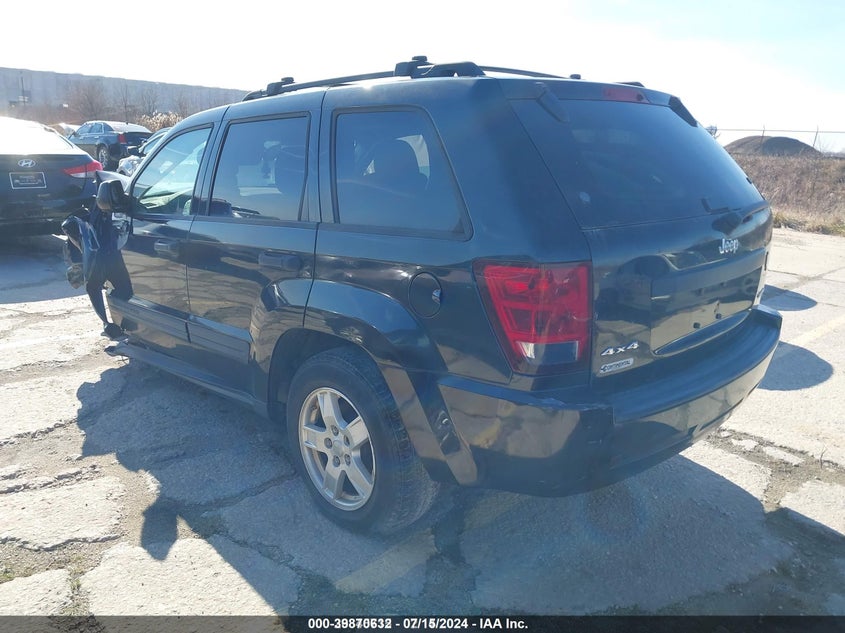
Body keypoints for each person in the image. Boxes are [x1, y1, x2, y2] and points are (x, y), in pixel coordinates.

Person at [62, 196, 132, 340]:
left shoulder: (77, 223)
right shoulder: (85, 220)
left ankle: (111, 324)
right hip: (106, 256)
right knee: (116, 287)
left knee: (95, 287)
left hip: (100, 258)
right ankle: (114, 323)